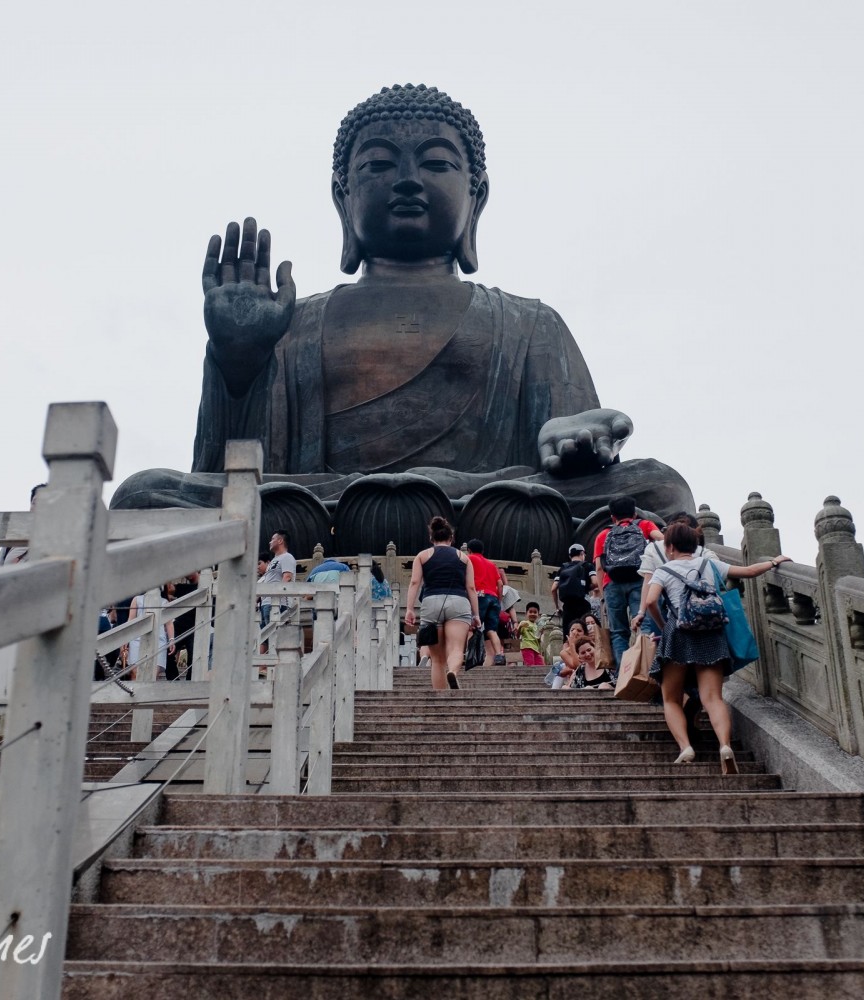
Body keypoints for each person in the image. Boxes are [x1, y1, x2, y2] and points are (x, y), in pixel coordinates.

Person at [110, 84, 697, 550]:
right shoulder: (293, 323)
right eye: (379, 166)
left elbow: (572, 454)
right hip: (323, 505)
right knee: (145, 495)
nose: (409, 180)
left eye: (437, 163)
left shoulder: (529, 324)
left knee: (661, 487)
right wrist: (239, 363)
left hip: (490, 503)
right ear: (343, 198)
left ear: (478, 197)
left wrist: (573, 442)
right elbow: (233, 474)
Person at [644, 523, 792, 774]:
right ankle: (724, 745)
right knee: (712, 698)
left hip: (678, 635)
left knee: (671, 698)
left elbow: (650, 601)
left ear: (669, 547)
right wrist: (774, 562)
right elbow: (749, 571)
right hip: (711, 634)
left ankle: (685, 748)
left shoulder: (664, 570)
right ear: (695, 545)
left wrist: (663, 626)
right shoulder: (710, 565)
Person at [405, 516, 480, 690]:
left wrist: (409, 608)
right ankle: (453, 671)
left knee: (437, 659)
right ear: (451, 538)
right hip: (459, 602)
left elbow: (415, 583)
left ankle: (441, 698)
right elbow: (471, 587)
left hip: (431, 602)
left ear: (431, 538)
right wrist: (476, 615)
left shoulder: (422, 556)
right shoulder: (464, 557)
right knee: (456, 649)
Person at [594, 495, 663, 670]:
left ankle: (623, 676)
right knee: (645, 625)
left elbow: (599, 568)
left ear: (612, 517)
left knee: (618, 633)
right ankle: (648, 670)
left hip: (612, 583)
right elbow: (662, 540)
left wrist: (603, 595)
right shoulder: (644, 525)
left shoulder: (603, 534)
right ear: (634, 513)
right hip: (640, 579)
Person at [465, 539, 507, 666]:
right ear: (482, 551)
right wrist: (498, 601)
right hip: (493, 597)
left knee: (472, 627)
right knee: (491, 630)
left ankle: (470, 653)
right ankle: (499, 655)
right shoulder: (491, 564)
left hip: (479, 595)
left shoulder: (469, 558)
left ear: (469, 550)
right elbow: (500, 584)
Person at [551, 543, 599, 634]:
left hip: (568, 605)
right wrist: (585, 588)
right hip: (583, 603)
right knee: (584, 631)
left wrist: (557, 607)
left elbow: (553, 589)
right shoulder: (587, 566)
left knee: (569, 632)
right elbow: (595, 582)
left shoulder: (563, 568)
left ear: (570, 556)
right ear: (582, 553)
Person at [258, 531, 296, 630]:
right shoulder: (274, 560)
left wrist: (277, 597)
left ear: (280, 541)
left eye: (272, 539)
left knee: (275, 635)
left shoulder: (287, 557)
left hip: (278, 603)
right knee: (265, 637)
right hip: (266, 602)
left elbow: (287, 577)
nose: (270, 542)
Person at [516, 602, 545, 667]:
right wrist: (520, 627)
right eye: (530, 612)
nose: (532, 614)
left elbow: (538, 639)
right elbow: (517, 636)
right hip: (527, 647)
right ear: (526, 613)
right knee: (530, 665)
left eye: (535, 612)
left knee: (541, 665)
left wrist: (541, 633)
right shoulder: (523, 623)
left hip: (536, 649)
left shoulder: (537, 626)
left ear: (538, 614)